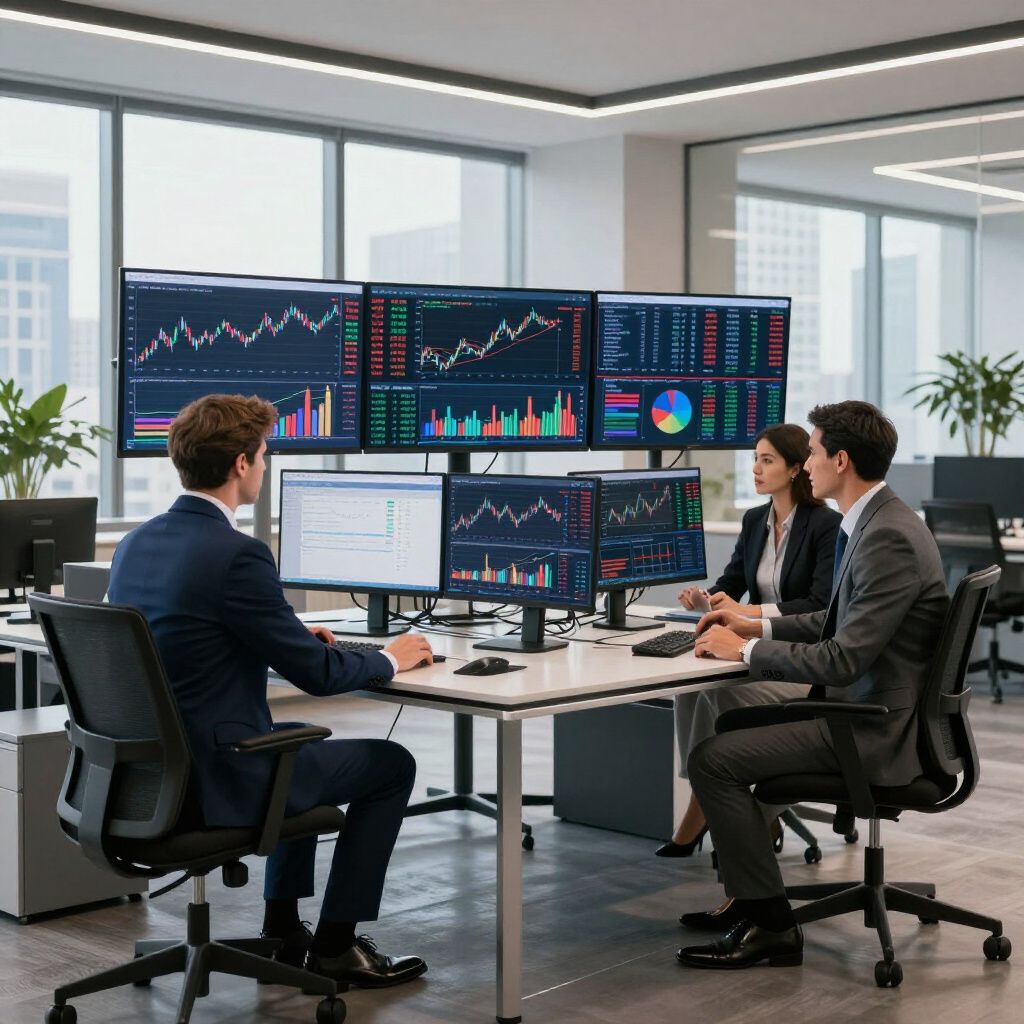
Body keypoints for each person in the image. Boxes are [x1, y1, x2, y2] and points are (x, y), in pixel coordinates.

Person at [108, 394, 432, 990]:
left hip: (146, 775)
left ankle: (283, 931)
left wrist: (285, 634)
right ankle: (336, 946)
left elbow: (184, 634)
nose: (264, 465)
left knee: (291, 743)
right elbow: (319, 677)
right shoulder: (238, 555)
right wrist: (390, 658)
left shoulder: (137, 542)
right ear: (240, 464)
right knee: (390, 765)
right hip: (214, 780)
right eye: (263, 455)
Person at [675, 400, 949, 971]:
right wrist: (754, 626)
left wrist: (745, 651)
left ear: (840, 461)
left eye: (815, 452)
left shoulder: (887, 536)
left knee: (712, 760)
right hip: (868, 710)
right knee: (729, 722)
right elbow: (835, 621)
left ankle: (772, 926)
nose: (808, 463)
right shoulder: (879, 521)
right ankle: (751, 898)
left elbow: (843, 658)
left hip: (873, 729)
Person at [659, 425, 840, 872]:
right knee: (690, 687)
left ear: (795, 468)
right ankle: (707, 794)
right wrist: (706, 599)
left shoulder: (825, 525)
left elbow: (819, 606)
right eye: (754, 459)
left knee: (722, 694)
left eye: (767, 460)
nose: (756, 469)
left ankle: (707, 809)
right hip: (755, 649)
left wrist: (752, 613)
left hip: (800, 662)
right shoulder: (755, 520)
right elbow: (732, 582)